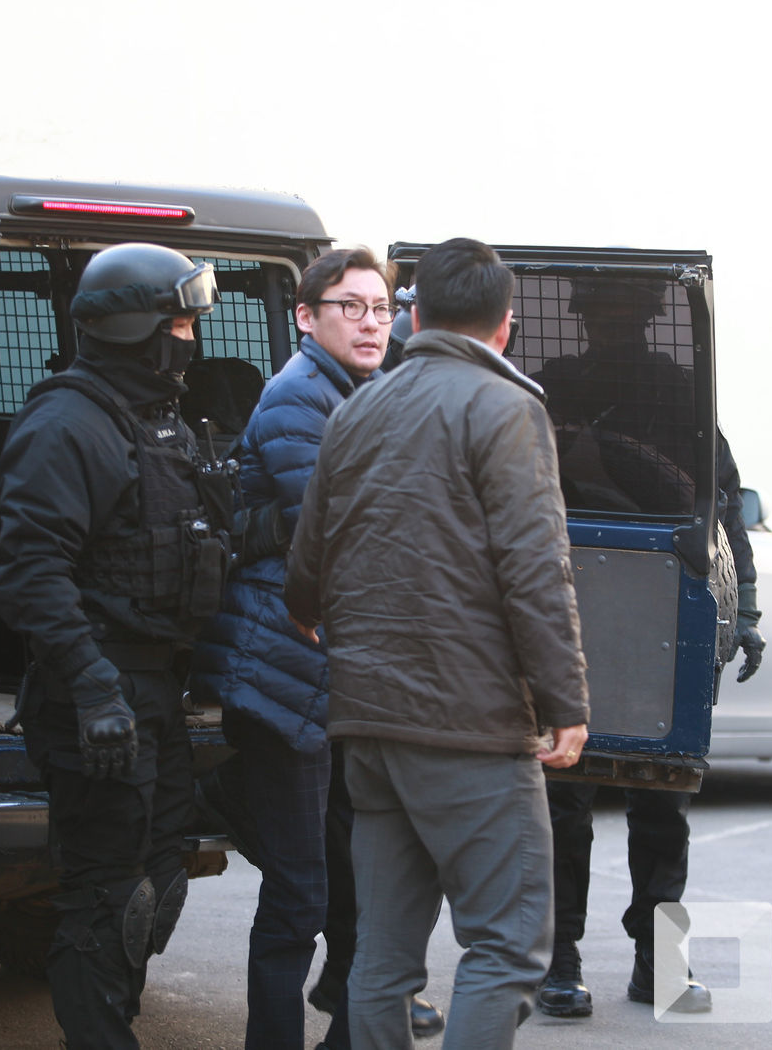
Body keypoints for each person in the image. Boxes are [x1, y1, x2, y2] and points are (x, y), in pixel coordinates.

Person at [285, 236, 590, 1050]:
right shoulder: (507, 408)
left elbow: (307, 562)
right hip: (469, 725)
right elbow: (535, 570)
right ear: (505, 326)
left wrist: (308, 609)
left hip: (369, 724)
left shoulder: (356, 408)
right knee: (507, 944)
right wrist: (564, 701)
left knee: (382, 955)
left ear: (414, 318)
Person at [190, 247, 442, 1048]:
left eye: (382, 308)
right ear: (306, 316)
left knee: (360, 888)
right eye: (351, 307)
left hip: (333, 678)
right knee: (301, 895)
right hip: (284, 677)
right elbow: (338, 533)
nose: (372, 323)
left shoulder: (361, 393)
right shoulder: (301, 396)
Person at [0, 242, 237, 1049]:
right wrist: (93, 686)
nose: (191, 339)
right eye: (180, 324)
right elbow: (31, 572)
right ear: (139, 331)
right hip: (97, 691)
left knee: (157, 879)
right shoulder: (67, 424)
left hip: (154, 689)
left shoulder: (159, 423)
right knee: (106, 894)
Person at [533, 277, 766, 1020]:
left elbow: (721, 512)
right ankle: (559, 959)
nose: (610, 324)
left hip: (659, 613)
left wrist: (743, 610)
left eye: (623, 312)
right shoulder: (551, 388)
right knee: (564, 799)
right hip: (571, 609)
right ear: (580, 317)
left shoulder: (679, 397)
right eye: (599, 312)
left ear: (647, 317)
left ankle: (657, 962)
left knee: (661, 800)